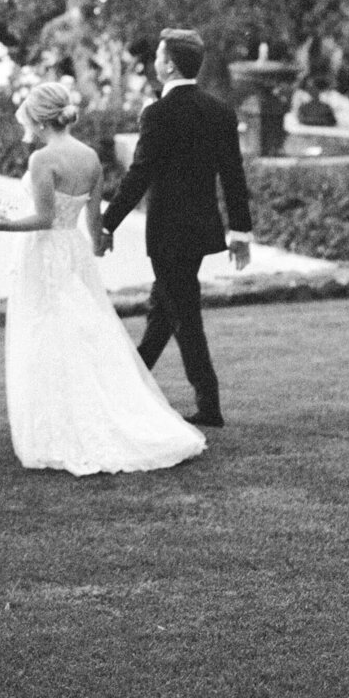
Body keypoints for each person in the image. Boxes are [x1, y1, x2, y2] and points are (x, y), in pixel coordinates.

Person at [0, 81, 206, 475]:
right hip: (73, 251)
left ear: (38, 118)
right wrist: (101, 244)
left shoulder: (43, 160)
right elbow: (94, 222)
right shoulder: (89, 158)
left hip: (46, 251)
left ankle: (56, 424)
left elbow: (44, 219)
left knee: (47, 330)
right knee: (80, 328)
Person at [99, 29, 253, 428]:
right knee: (163, 312)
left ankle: (210, 405)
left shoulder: (157, 114)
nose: (154, 61)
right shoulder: (220, 111)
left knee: (184, 315)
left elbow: (139, 175)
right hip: (201, 231)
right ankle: (130, 387)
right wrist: (240, 232)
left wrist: (106, 222)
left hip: (169, 234)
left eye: (159, 55)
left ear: (168, 64)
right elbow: (233, 177)